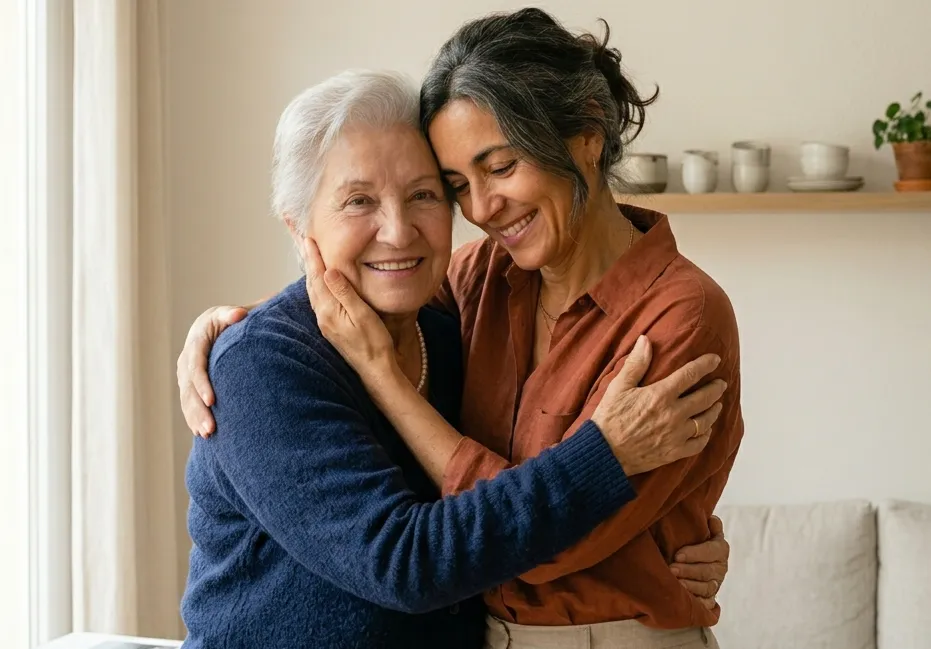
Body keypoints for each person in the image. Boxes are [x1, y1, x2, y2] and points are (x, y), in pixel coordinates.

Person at [178, 69, 730, 649]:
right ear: (299, 228)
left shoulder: (451, 327)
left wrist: (659, 546)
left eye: (424, 194)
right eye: (359, 201)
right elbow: (402, 563)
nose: (398, 232)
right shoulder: (261, 368)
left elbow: (493, 511)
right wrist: (605, 455)